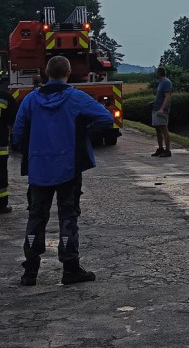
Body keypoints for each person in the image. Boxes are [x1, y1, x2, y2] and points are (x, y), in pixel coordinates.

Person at [12, 55, 114, 286]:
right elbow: (106, 119)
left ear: (46, 73)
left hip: (39, 169)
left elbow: (18, 132)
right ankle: (70, 269)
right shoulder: (75, 97)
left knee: (36, 217)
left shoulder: (31, 100)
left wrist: (31, 148)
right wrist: (84, 133)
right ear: (68, 74)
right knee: (68, 216)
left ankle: (30, 271)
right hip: (68, 167)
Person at [0, 74, 16, 215]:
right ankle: (2, 206)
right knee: (1, 175)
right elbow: (14, 121)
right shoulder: (5, 98)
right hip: (0, 146)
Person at [152, 67, 173, 158]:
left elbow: (167, 97)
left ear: (159, 73)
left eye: (156, 72)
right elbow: (160, 96)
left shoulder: (166, 82)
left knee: (164, 128)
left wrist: (162, 109)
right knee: (158, 129)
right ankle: (160, 148)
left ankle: (167, 150)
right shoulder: (160, 83)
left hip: (161, 110)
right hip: (156, 108)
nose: (155, 73)